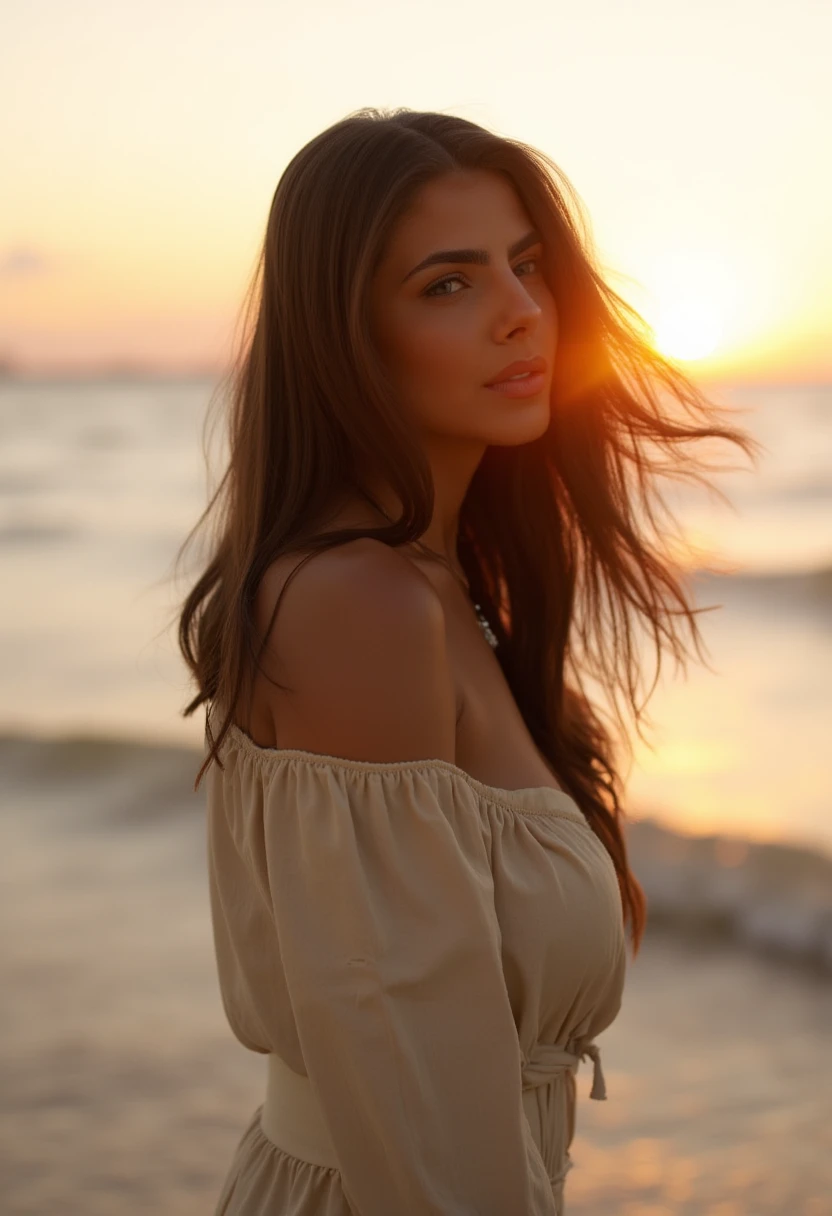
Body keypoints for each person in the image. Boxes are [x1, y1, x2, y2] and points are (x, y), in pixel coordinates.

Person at [176, 108, 758, 1214]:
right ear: (341, 338)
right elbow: (416, 1115)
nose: (522, 313)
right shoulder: (356, 607)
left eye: (526, 265)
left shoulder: (443, 589)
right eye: (449, 284)